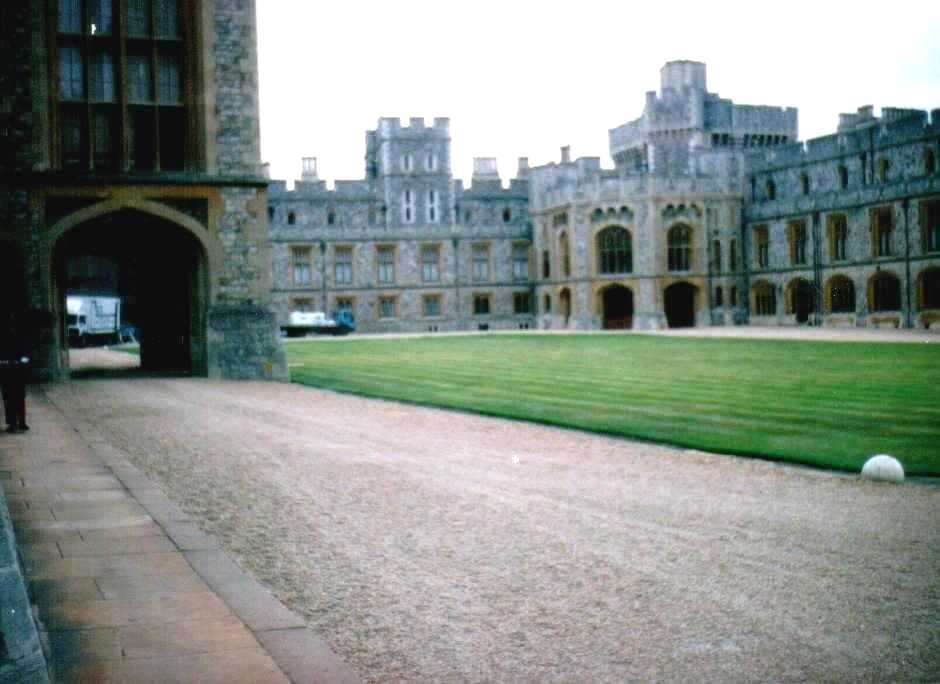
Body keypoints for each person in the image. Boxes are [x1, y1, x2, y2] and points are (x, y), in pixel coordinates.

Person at [0, 311, 29, 433]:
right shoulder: (4, 337)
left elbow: (26, 354)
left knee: (19, 397)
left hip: (17, 370)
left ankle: (21, 422)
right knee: (10, 397)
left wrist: (22, 361)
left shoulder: (20, 336)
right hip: (8, 371)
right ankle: (13, 422)